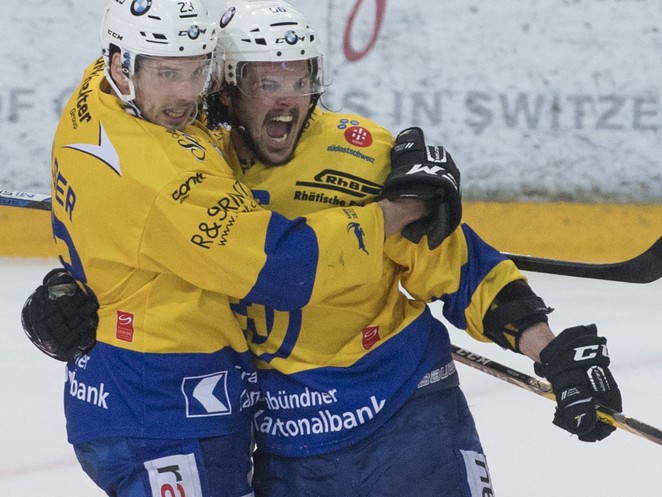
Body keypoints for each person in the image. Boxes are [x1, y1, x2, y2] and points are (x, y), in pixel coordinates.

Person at [23, 1, 623, 496]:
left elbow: (458, 262)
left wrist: (550, 351)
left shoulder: (359, 157)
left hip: (404, 419)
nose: (288, 100)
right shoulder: (195, 159)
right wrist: (83, 288)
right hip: (284, 445)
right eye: (266, 83)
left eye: (301, 80)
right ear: (226, 87)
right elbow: (258, 263)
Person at [26, 0, 433, 496]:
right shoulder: (169, 181)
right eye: (168, 74)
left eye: (196, 71)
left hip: (123, 385)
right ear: (120, 66)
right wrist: (401, 210)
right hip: (168, 407)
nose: (184, 95)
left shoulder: (97, 91)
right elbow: (285, 266)